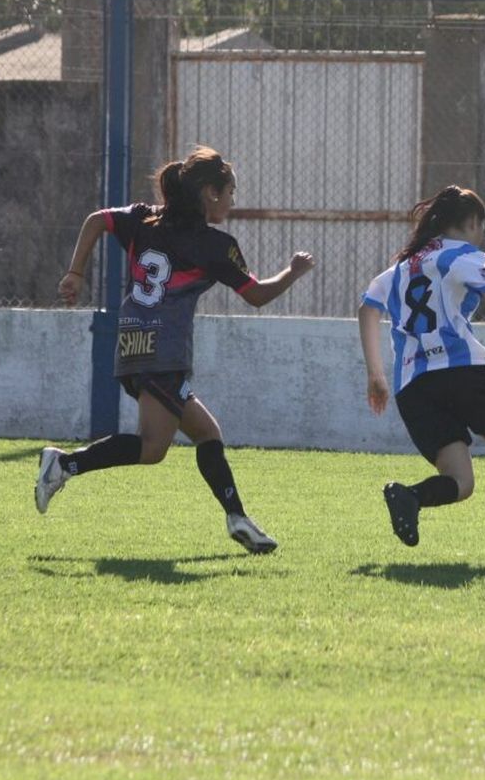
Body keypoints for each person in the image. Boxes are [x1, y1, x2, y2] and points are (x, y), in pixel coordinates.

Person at [35, 146, 314, 554]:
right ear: (210, 193)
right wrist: (294, 271)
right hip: (163, 351)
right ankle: (63, 464)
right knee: (152, 448)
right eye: (230, 191)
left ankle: (238, 518)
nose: (234, 200)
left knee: (206, 432)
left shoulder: (143, 219)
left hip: (133, 343)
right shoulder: (213, 245)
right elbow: (256, 294)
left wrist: (76, 272)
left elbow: (97, 220)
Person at [357, 185, 485, 561]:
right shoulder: (466, 254)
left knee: (461, 483)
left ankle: (410, 496)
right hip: (462, 372)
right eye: (482, 225)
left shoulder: (400, 267)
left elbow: (367, 309)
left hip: (413, 387)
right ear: (472, 223)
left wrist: (375, 374)